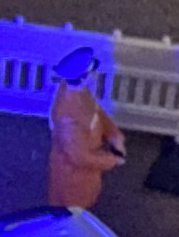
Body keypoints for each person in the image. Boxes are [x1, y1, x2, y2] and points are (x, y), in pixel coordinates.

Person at [44, 44, 124, 212]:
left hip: (88, 173)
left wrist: (114, 135)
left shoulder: (81, 92)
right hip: (72, 179)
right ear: (82, 77)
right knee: (73, 212)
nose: (95, 74)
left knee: (88, 198)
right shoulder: (68, 118)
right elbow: (80, 157)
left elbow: (97, 113)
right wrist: (111, 160)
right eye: (92, 71)